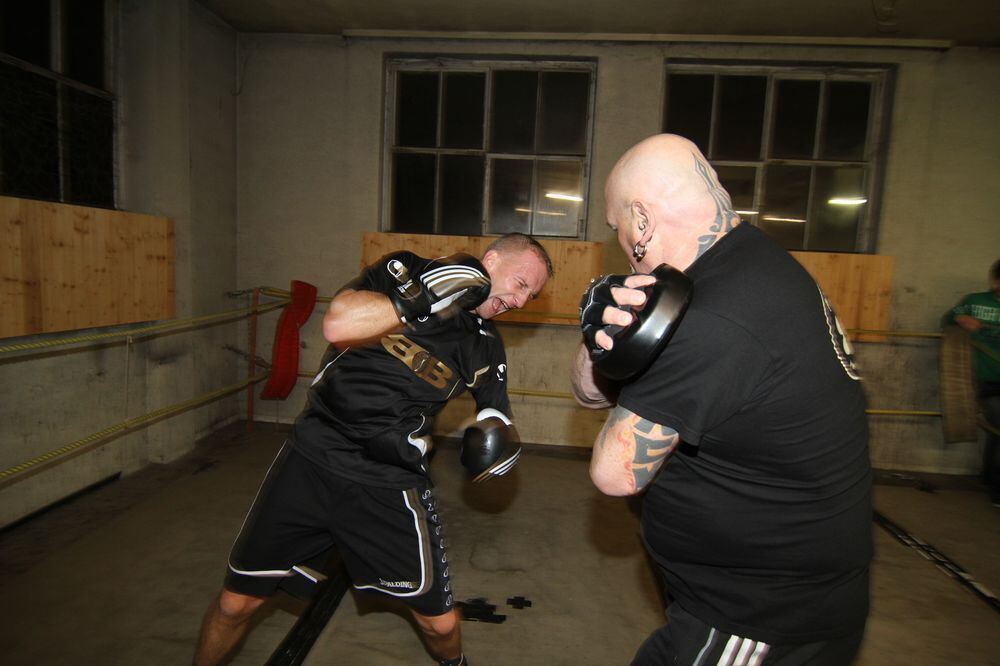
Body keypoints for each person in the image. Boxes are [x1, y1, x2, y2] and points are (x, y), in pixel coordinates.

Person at [571, 134, 873, 665]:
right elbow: (593, 395)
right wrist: (596, 335)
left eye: (618, 228)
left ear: (642, 221)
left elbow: (615, 474)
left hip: (760, 614)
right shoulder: (751, 265)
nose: (621, 241)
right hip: (764, 594)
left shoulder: (713, 315)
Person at [194, 233, 552, 666]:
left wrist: (495, 433)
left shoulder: (485, 344)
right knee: (236, 603)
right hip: (312, 458)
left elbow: (496, 410)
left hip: (390, 481)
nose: (520, 300)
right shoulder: (404, 271)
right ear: (491, 260)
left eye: (530, 295)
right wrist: (428, 295)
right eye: (519, 284)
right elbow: (338, 323)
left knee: (439, 625)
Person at [942, 259, 1000, 505]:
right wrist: (961, 319)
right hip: (983, 378)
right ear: (996, 281)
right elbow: (946, 320)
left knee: (997, 429)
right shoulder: (974, 301)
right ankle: (996, 486)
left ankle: (989, 476)